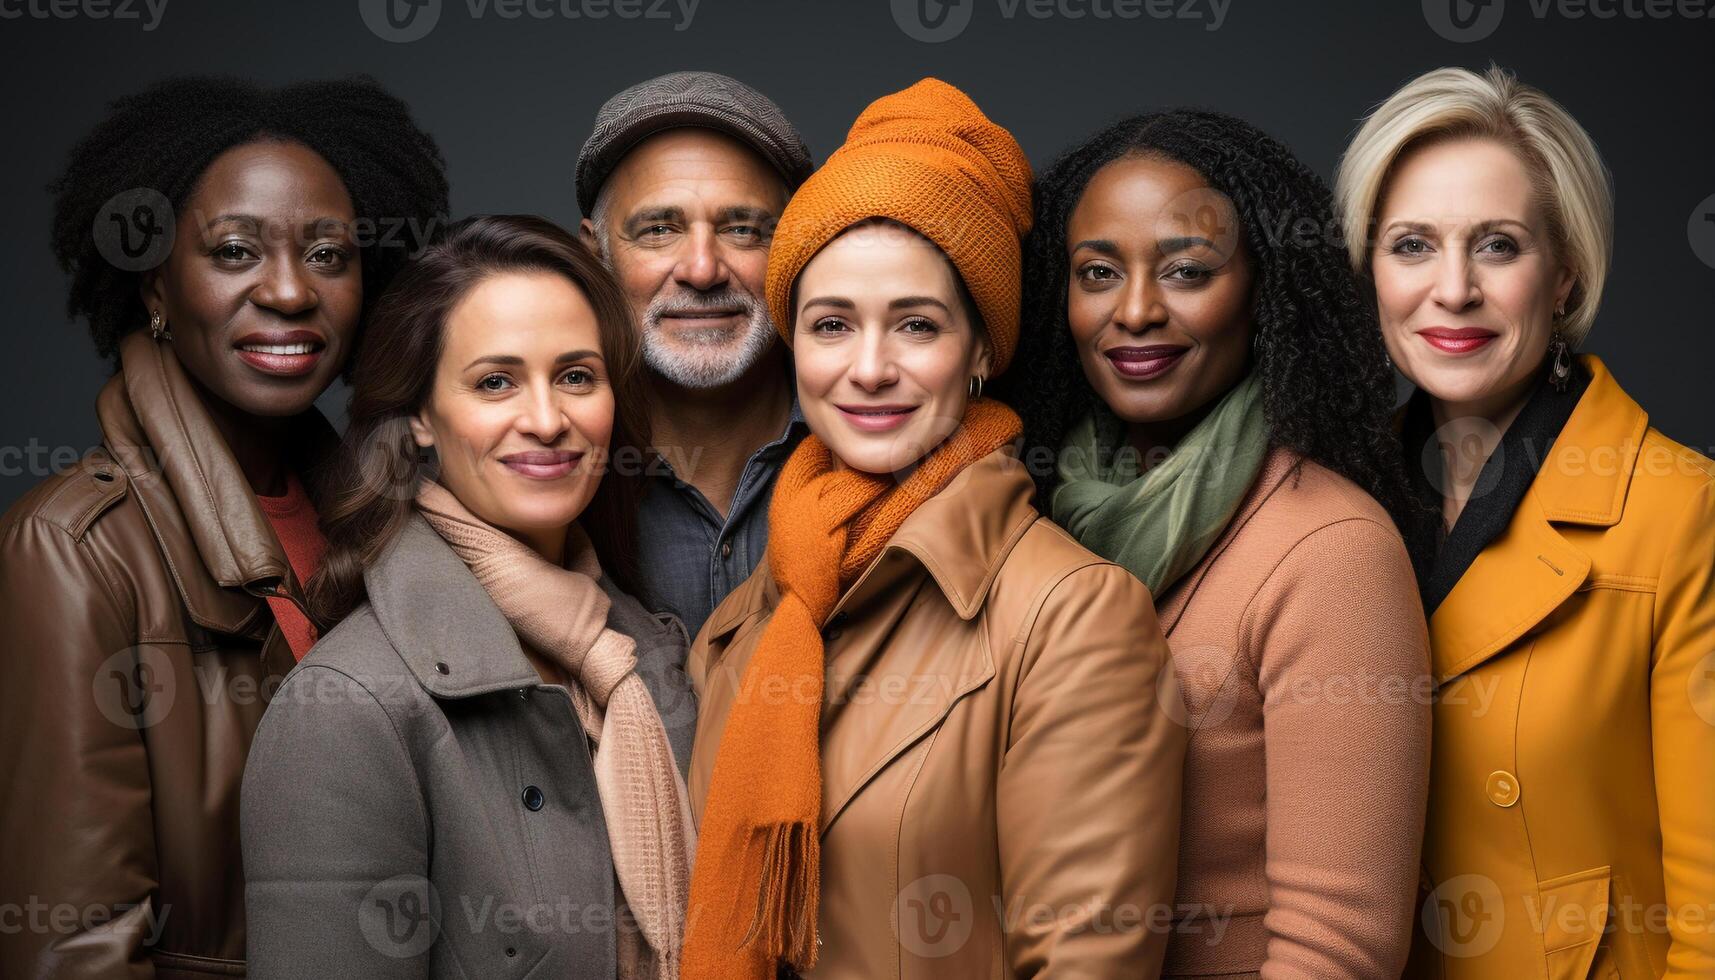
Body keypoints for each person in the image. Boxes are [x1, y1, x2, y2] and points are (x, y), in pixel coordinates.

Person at [681, 78, 1186, 980]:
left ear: (982, 350)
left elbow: (1086, 964)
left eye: (915, 325)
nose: (868, 369)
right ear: (793, 344)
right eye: (831, 325)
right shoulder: (761, 606)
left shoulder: (1074, 617)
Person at [0, 75, 448, 978]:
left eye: (329, 255)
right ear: (156, 286)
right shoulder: (75, 549)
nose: (289, 292)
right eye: (235, 251)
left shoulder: (391, 526)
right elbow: (73, 952)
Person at [999, 108, 1433, 978]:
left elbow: (1336, 955)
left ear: (1264, 292)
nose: (1133, 311)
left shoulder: (1330, 551)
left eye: (1187, 272)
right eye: (1095, 273)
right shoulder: (1028, 521)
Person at [241, 215, 697, 978]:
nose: (548, 420)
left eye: (577, 376)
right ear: (420, 417)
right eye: (495, 382)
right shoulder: (350, 708)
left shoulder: (651, 660)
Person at [1336, 66, 1715, 978]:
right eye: (1412, 245)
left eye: (1497, 246)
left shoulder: (1680, 511)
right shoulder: (1331, 505)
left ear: (1564, 274)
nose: (1453, 290)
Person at [576, 70, 815, 636]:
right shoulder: (543, 466)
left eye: (742, 229)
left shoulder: (879, 441)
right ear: (595, 254)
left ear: (799, 247)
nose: (702, 270)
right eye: (659, 229)